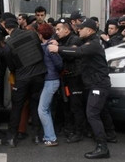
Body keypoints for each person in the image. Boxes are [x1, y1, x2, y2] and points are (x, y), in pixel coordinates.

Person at [48, 18, 116, 159]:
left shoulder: (94, 44)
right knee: (101, 111)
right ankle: (110, 135)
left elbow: (78, 52)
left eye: (82, 28)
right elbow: (75, 47)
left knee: (92, 114)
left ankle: (102, 148)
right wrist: (59, 43)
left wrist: (57, 49)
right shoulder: (88, 41)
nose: (78, 29)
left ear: (90, 30)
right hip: (95, 84)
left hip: (98, 85)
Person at [1, 17, 47, 147]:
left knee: (17, 107)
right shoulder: (32, 34)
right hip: (39, 75)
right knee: (35, 105)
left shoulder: (9, 44)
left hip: (22, 77)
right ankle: (37, 136)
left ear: (7, 28)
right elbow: (39, 52)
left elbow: (11, 66)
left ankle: (11, 138)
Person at [54, 18, 85, 143]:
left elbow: (71, 54)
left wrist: (58, 48)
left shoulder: (75, 40)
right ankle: (68, 128)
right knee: (65, 105)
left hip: (75, 78)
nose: (56, 32)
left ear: (66, 30)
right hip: (65, 78)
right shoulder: (59, 40)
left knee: (76, 106)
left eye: (58, 29)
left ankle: (79, 132)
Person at [37, 23, 63, 146]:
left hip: (51, 80)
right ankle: (49, 136)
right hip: (51, 80)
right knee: (45, 109)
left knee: (42, 110)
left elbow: (59, 64)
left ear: (40, 34)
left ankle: (51, 138)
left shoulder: (49, 47)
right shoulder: (48, 45)